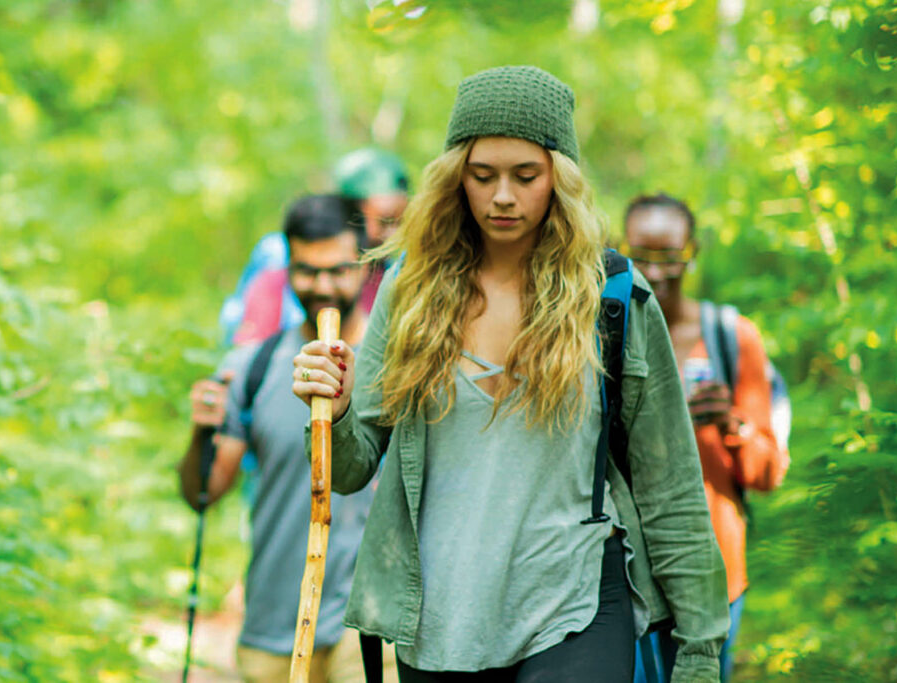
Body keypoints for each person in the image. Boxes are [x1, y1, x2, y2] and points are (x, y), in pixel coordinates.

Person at [293, 66, 729, 682]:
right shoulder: (409, 292)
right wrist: (333, 411)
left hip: (573, 601)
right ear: (455, 178)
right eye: (482, 175)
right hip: (439, 615)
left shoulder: (611, 298)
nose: (503, 196)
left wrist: (700, 647)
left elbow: (670, 485)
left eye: (526, 176)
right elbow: (354, 466)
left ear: (559, 178)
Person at [179, 194, 397, 683]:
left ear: (363, 266)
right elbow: (203, 492)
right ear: (288, 269)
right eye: (306, 270)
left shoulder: (398, 365)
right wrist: (201, 433)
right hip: (274, 625)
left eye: (338, 270)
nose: (322, 286)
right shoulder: (251, 367)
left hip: (371, 625)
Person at [624, 193, 790, 681]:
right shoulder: (607, 331)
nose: (655, 272)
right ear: (619, 250)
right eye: (641, 256)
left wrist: (732, 425)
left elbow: (768, 471)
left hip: (716, 572)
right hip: (625, 575)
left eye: (669, 256)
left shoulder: (732, 337)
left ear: (692, 252)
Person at [231, 149, 410, 346]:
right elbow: (250, 347)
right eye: (384, 221)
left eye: (399, 222)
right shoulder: (276, 265)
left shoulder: (393, 276)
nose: (392, 234)